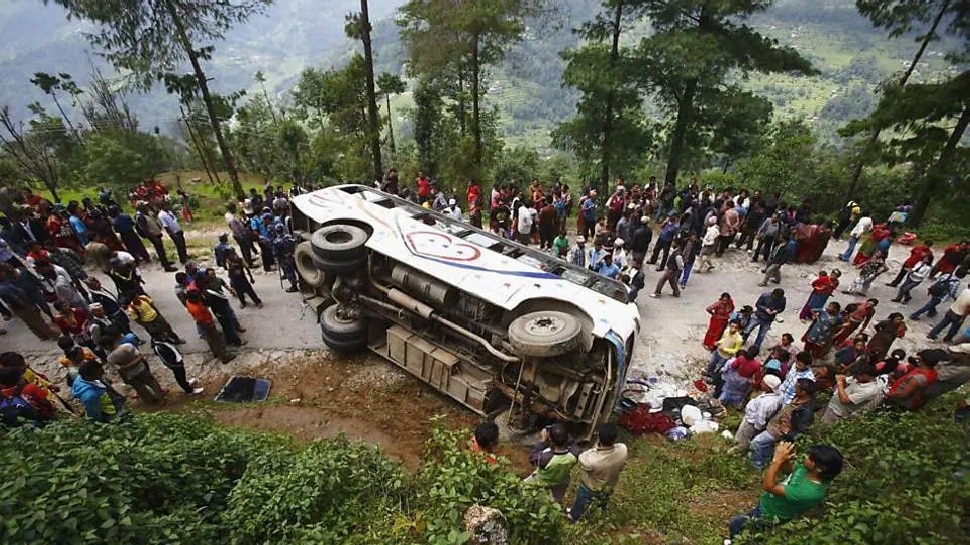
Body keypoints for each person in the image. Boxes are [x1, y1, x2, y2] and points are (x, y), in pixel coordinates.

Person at [728, 443, 844, 539]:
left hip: (771, 514)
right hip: (767, 504)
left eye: (809, 457)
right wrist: (785, 459)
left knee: (736, 524)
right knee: (749, 524)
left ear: (819, 469)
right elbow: (791, 472)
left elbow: (768, 486)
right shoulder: (807, 469)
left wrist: (776, 461)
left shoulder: (809, 492)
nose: (805, 456)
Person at [567, 422, 629, 522]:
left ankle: (574, 517)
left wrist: (595, 447)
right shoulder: (623, 450)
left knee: (581, 502)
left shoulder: (592, 461)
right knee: (601, 503)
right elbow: (618, 446)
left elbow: (581, 457)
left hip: (590, 489)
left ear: (599, 437)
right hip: (608, 487)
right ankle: (594, 518)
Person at [749, 379, 816, 469]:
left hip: (779, 431)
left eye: (797, 387)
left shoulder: (806, 412)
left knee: (756, 442)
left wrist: (787, 432)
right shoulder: (799, 398)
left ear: (804, 392)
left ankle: (757, 465)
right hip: (775, 426)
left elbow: (801, 432)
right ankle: (765, 460)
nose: (794, 388)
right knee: (766, 445)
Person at [525, 423, 579, 505]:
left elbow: (532, 458)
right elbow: (572, 443)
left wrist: (543, 441)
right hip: (560, 482)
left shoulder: (545, 458)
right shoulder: (575, 454)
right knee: (555, 502)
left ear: (550, 439)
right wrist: (562, 435)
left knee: (522, 488)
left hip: (542, 481)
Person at [102, 335, 164, 405]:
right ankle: (161, 399)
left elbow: (120, 369)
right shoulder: (127, 346)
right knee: (152, 383)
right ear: (114, 341)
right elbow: (140, 356)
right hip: (141, 368)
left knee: (140, 389)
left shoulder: (110, 358)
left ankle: (151, 402)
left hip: (130, 375)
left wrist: (125, 375)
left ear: (105, 347)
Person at [820, 362, 887, 425]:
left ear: (865, 375)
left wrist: (840, 383)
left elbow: (844, 400)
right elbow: (845, 384)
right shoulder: (859, 379)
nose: (854, 377)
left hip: (837, 413)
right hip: (831, 406)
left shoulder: (870, 390)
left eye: (857, 375)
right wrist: (842, 381)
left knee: (822, 431)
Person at [185, 288, 235, 364]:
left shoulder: (189, 302)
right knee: (217, 340)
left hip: (205, 322)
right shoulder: (196, 308)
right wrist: (209, 325)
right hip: (207, 324)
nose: (200, 298)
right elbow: (201, 320)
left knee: (210, 340)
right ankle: (224, 357)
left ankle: (215, 353)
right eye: (198, 297)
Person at [733, 375, 783, 451]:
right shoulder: (779, 395)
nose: (761, 384)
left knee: (742, 439)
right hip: (752, 419)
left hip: (751, 423)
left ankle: (736, 451)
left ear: (769, 387)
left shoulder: (766, 403)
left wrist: (755, 428)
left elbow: (760, 419)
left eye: (763, 383)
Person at [135, 202, 177, 271]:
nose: (146, 206)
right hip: (152, 235)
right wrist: (153, 237)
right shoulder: (140, 216)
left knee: (161, 249)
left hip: (156, 233)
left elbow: (155, 214)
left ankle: (165, 262)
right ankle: (166, 267)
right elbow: (145, 229)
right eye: (145, 206)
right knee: (160, 250)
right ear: (141, 207)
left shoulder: (146, 212)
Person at [270, 224, 300, 293]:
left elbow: (275, 253)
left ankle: (294, 286)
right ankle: (302, 283)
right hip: (292, 256)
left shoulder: (276, 241)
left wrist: (277, 258)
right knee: (297, 270)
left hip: (284, 259)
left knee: (290, 272)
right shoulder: (289, 237)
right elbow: (295, 243)